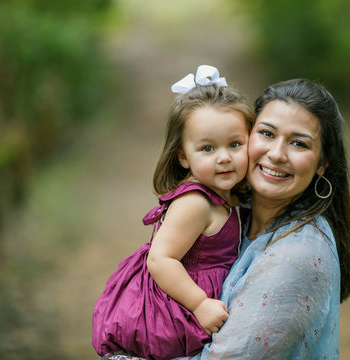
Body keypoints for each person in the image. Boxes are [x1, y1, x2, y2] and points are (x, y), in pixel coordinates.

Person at [105, 78, 350, 360]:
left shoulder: (298, 255)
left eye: (298, 143)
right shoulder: (232, 210)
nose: (276, 154)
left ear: (322, 164)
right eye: (267, 134)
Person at [92, 65, 255, 359]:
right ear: (183, 157)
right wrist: (199, 304)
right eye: (207, 148)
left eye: (235, 144)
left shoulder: (228, 197)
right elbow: (160, 258)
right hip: (168, 309)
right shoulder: (196, 202)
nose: (224, 158)